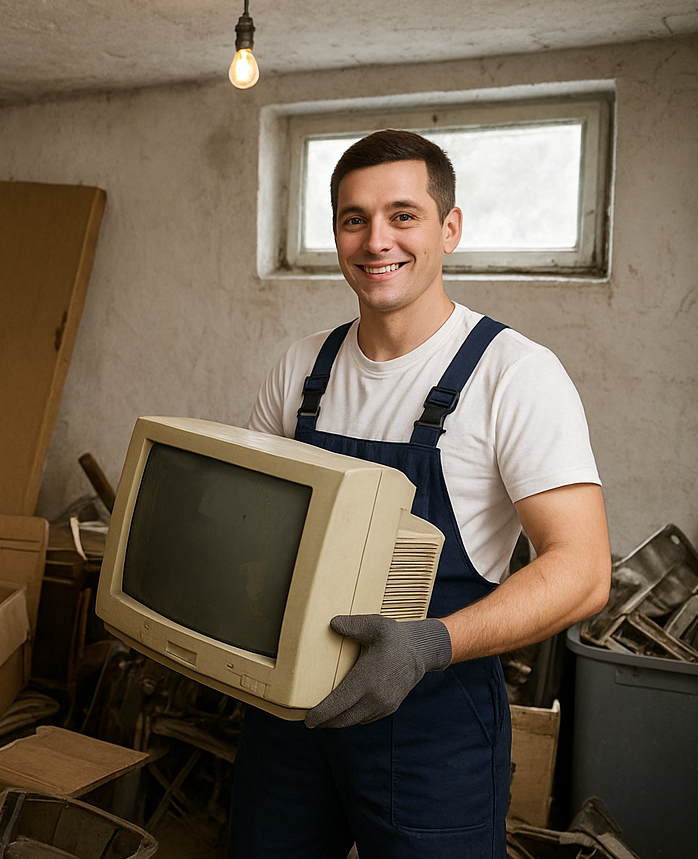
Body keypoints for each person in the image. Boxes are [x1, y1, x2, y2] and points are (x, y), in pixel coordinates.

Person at [228, 129, 611, 857]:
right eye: (353, 218)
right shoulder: (300, 367)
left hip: (433, 723)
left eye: (402, 215)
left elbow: (583, 570)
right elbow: (254, 527)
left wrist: (430, 642)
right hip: (290, 715)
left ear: (449, 227)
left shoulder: (513, 374)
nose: (377, 240)